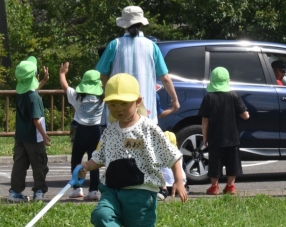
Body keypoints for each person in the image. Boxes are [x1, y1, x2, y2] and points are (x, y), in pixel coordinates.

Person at [76, 74, 187, 227]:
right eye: (113, 104)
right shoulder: (110, 130)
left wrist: (179, 181)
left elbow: (172, 154)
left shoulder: (148, 128)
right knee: (101, 215)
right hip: (112, 189)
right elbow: (100, 157)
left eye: (124, 103)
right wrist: (86, 166)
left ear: (138, 101)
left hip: (141, 193)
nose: (118, 108)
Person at [95, 6, 179, 123]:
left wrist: (108, 93)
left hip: (118, 108)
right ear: (141, 24)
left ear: (124, 25)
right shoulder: (152, 46)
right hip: (146, 106)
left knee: (118, 133)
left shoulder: (115, 45)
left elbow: (102, 75)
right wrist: (175, 100)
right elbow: (165, 78)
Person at [199, 67, 249, 195]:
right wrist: (246, 113)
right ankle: (230, 186)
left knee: (215, 162)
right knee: (233, 162)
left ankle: (214, 186)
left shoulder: (209, 98)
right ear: (228, 80)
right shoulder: (234, 96)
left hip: (215, 137)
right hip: (232, 136)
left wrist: (205, 136)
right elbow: (245, 116)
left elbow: (205, 119)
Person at [59, 62, 104, 200]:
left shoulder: (77, 96)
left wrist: (62, 73)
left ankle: (77, 188)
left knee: (76, 159)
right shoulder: (102, 97)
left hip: (80, 130)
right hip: (97, 130)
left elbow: (65, 86)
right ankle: (94, 190)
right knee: (94, 160)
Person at [8, 57, 51, 202]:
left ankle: (15, 192)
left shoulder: (22, 94)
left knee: (19, 164)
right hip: (34, 137)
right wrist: (44, 136)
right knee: (39, 164)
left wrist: (43, 81)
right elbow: (36, 119)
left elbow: (32, 89)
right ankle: (39, 191)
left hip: (21, 136)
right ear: (35, 76)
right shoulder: (34, 97)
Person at [158, 131, 188, 200]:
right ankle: (185, 188)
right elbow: (184, 168)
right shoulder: (179, 153)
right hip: (181, 184)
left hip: (167, 185)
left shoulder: (159, 154)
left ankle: (163, 190)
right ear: (176, 143)